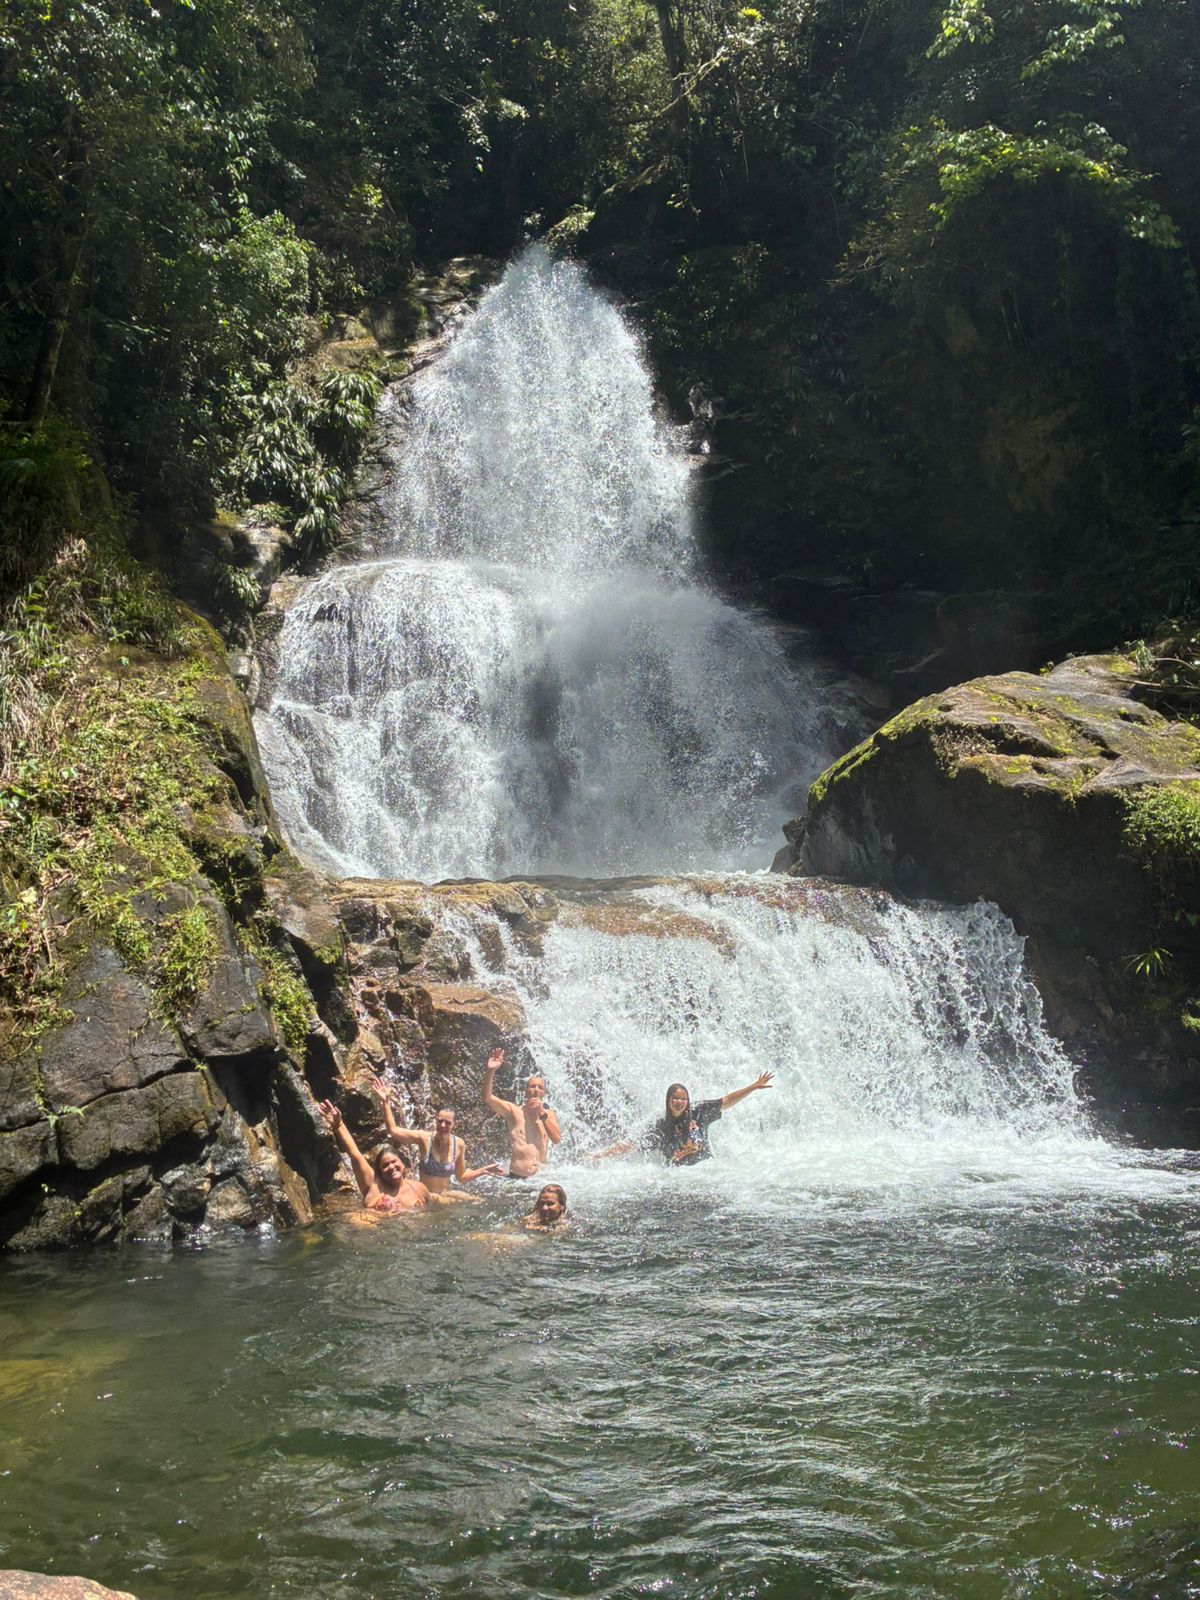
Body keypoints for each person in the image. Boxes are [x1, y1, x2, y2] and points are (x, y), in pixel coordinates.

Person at [592, 1072, 775, 1166]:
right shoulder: (661, 1127)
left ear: (687, 1101)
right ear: (668, 1101)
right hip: (680, 1179)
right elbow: (631, 1145)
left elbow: (726, 1101)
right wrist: (600, 1155)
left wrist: (753, 1087)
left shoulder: (699, 1111)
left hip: (707, 1170)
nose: (679, 1102)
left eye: (683, 1099)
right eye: (675, 1099)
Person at [369, 1077, 505, 1199]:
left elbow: (461, 1176)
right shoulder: (424, 1139)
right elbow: (393, 1131)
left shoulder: (459, 1144)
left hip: (445, 1195)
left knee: (478, 1202)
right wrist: (385, 1101)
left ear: (454, 1124)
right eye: (440, 1121)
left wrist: (483, 1171)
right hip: (425, 1196)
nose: (443, 1125)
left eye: (448, 1122)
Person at [318, 1099, 428, 1212]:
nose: (391, 1167)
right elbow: (355, 1155)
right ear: (380, 1173)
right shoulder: (375, 1188)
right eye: (385, 1165)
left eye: (394, 1162)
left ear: (403, 1164)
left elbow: (434, 1201)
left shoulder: (418, 1188)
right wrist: (338, 1125)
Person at [481, 1047, 561, 1178]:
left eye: (540, 1087)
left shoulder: (549, 1114)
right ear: (526, 1091)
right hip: (516, 1179)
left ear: (543, 1093)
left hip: (540, 1179)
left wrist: (541, 1113)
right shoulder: (514, 1111)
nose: (536, 1090)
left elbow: (556, 1139)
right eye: (532, 1086)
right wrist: (491, 1071)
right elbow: (487, 1098)